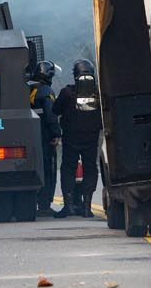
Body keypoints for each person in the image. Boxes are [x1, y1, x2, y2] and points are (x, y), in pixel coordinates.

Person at [53, 59, 102, 218]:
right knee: (90, 168)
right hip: (91, 137)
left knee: (68, 168)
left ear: (75, 75)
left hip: (71, 138)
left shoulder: (67, 93)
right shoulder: (98, 93)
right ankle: (87, 207)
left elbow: (55, 110)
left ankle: (69, 206)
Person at [28, 60, 62, 217]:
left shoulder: (27, 89)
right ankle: (44, 204)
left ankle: (31, 201)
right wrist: (56, 134)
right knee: (48, 170)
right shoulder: (46, 91)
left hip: (29, 138)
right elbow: (51, 115)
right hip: (45, 138)